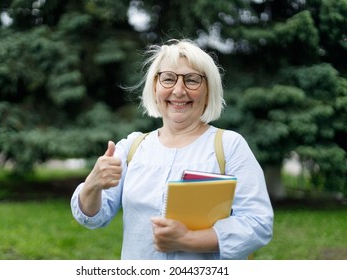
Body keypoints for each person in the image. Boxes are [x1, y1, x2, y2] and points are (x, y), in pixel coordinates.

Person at [70, 39, 273, 260]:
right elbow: (92, 218)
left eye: (192, 80)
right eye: (168, 79)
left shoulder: (229, 146)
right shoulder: (131, 147)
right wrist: (93, 184)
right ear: (155, 87)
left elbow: (258, 223)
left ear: (208, 91)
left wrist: (187, 240)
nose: (178, 90)